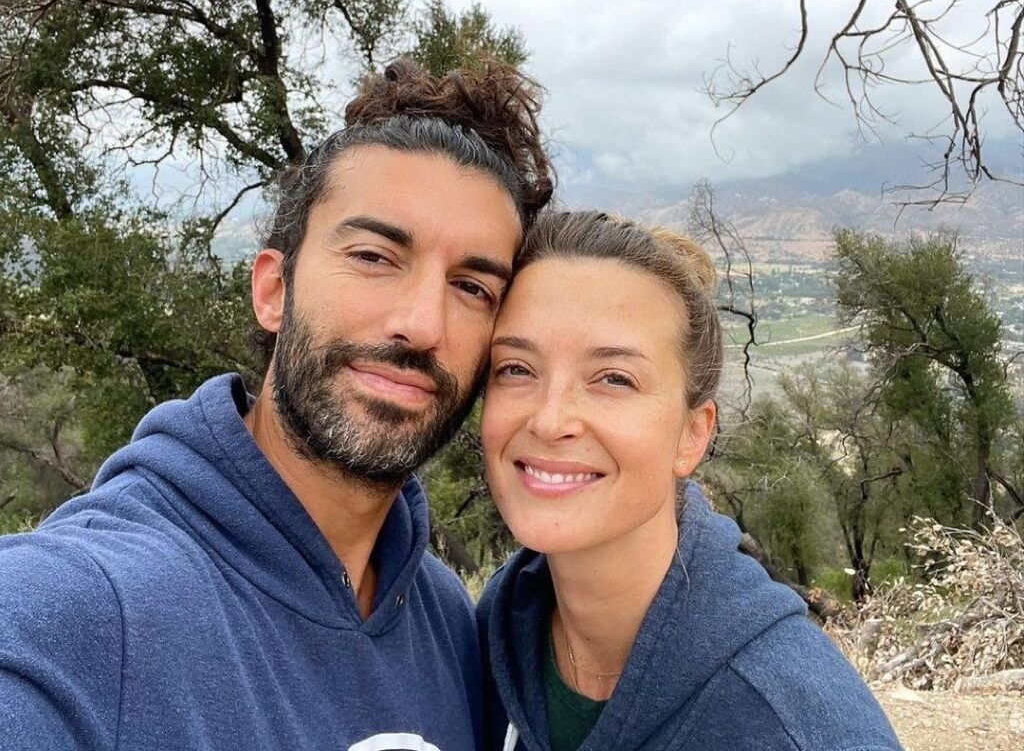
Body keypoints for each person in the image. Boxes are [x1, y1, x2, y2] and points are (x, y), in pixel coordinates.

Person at [0, 59, 553, 751]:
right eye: (375, 256)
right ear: (274, 291)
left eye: (473, 288)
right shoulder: (84, 613)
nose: (422, 325)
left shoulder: (448, 624)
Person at [478, 211, 903, 751]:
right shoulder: (499, 634)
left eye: (614, 378)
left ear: (692, 436)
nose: (550, 419)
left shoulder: (791, 719)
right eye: (516, 368)